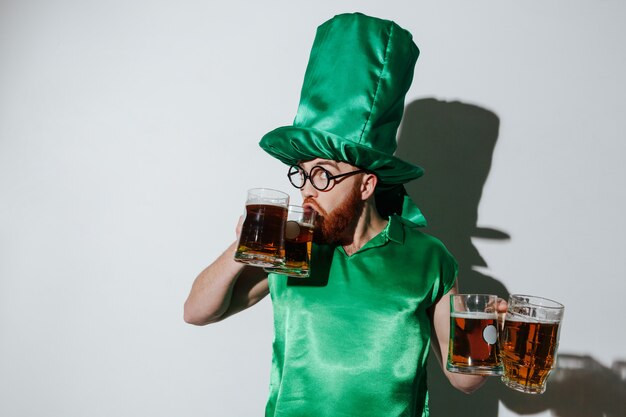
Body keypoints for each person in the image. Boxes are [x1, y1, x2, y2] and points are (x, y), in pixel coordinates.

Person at [185, 12, 498, 417]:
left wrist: (485, 327)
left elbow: (464, 380)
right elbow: (196, 312)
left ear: (366, 185)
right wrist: (240, 248)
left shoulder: (429, 257)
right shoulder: (290, 245)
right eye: (303, 173)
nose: (307, 189)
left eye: (324, 175)